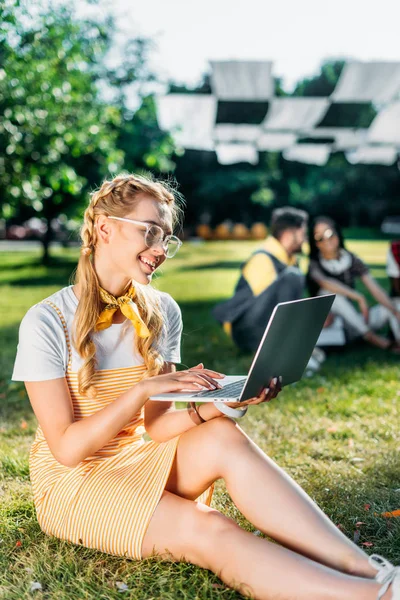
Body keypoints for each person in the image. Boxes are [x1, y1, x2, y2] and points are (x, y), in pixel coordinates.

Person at [11, 174, 399, 600]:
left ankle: (372, 571)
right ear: (105, 228)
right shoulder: (47, 320)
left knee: (220, 434)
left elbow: (157, 427)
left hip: (140, 458)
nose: (160, 250)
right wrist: (142, 391)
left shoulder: (161, 311)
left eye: (166, 238)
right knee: (211, 526)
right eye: (150, 232)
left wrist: (223, 404)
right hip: (76, 483)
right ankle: (374, 598)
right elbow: (67, 449)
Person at [212, 207, 309, 354]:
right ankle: (288, 347)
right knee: (292, 277)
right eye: (303, 234)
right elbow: (262, 308)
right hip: (246, 332)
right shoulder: (262, 259)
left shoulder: (291, 261)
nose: (304, 239)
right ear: (289, 235)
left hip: (267, 328)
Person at [307, 216, 400, 353]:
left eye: (329, 234)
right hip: (331, 327)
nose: (327, 240)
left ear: (337, 233)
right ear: (315, 243)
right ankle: (371, 337)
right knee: (329, 294)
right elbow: (325, 283)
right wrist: (358, 297)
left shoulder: (350, 259)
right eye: (319, 238)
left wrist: (395, 311)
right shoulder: (314, 264)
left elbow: (375, 289)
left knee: (394, 305)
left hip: (353, 322)